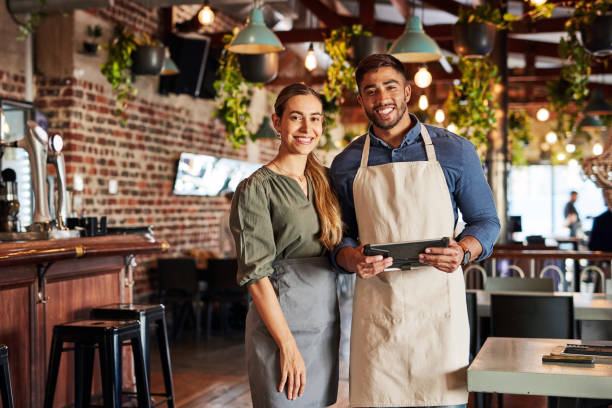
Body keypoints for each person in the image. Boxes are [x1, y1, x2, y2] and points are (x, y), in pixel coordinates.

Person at [330, 54, 500, 408]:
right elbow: (340, 237)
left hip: (439, 315)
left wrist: (464, 250)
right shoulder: (346, 164)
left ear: (407, 91)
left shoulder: (456, 151)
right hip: (378, 313)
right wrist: (351, 258)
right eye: (370, 91)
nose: (382, 98)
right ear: (360, 99)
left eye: (390, 87)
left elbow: (485, 222)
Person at [230, 83, 343, 407]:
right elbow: (256, 277)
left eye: (316, 119)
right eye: (296, 117)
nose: (308, 128)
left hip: (324, 323)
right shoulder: (255, 188)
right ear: (277, 122)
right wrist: (287, 345)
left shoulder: (326, 181)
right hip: (280, 328)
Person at [218, 190, 237, 258]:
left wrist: (221, 254)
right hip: (235, 254)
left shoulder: (225, 218)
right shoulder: (225, 218)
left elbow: (222, 238)